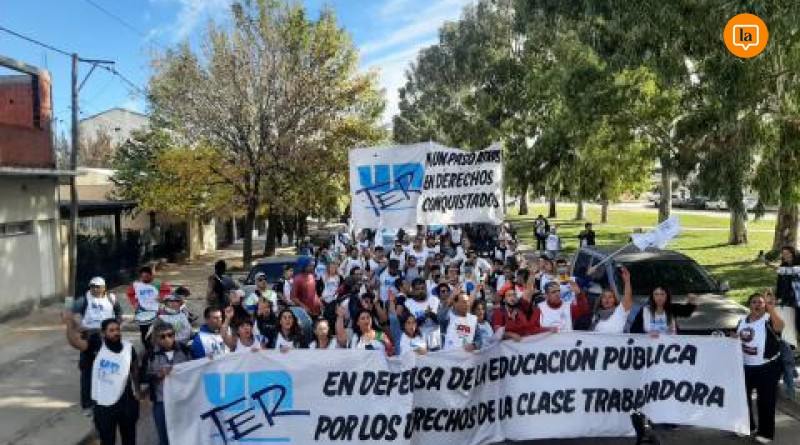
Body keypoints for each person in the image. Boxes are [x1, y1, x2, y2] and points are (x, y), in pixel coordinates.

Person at [62, 314, 139, 445]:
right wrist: (69, 323)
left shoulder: (128, 348)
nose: (116, 333)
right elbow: (75, 342)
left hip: (126, 403)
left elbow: (135, 368)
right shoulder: (96, 346)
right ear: (103, 333)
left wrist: (137, 390)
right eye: (111, 330)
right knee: (107, 440)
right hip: (104, 406)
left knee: (130, 439)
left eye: (117, 329)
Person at [737, 292, 785, 443]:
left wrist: (771, 309)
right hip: (746, 367)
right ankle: (747, 426)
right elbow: (738, 339)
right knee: (742, 398)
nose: (757, 305)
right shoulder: (742, 321)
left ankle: (765, 433)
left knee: (766, 400)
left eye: (761, 302)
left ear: (765, 306)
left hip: (767, 367)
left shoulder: (768, 319)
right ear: (749, 305)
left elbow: (780, 327)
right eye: (754, 302)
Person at [71, 276, 122, 414]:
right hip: (90, 337)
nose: (94, 289)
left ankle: (107, 399)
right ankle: (87, 404)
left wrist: (116, 325)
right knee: (87, 370)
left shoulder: (111, 298)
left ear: (104, 288)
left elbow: (119, 313)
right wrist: (78, 324)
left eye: (97, 286)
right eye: (92, 286)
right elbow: (73, 312)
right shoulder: (84, 299)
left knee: (108, 369)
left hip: (107, 338)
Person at [141, 323, 191, 445]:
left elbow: (196, 369)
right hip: (161, 402)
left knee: (184, 434)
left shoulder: (185, 350)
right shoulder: (149, 355)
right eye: (162, 336)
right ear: (156, 338)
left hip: (182, 401)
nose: (167, 339)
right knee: (163, 436)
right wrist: (157, 375)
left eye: (170, 335)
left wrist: (208, 360)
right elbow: (142, 377)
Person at [127, 266, 171, 349]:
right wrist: (135, 303)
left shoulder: (158, 283)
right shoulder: (136, 285)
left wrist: (162, 297)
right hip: (142, 312)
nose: (144, 279)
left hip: (157, 312)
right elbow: (130, 294)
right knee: (144, 332)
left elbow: (167, 292)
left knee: (157, 330)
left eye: (146, 276)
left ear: (151, 275)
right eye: (142, 277)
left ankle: (158, 347)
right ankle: (147, 348)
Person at [629, 287, 698, 335]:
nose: (659, 297)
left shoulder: (672, 308)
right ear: (652, 296)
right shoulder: (644, 311)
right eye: (656, 294)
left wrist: (692, 302)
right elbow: (633, 330)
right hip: (649, 346)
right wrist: (647, 334)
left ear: (667, 296)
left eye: (662, 294)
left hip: (671, 346)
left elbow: (686, 312)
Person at [590, 268, 634, 333]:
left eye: (610, 297)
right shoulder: (596, 315)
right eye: (604, 297)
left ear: (615, 300)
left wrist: (627, 281)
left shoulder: (620, 311)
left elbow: (627, 298)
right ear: (601, 300)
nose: (607, 299)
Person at [404, 278, 442, 351]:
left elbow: (441, 320)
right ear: (413, 290)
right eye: (417, 289)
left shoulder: (435, 300)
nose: (421, 291)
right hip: (418, 339)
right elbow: (409, 325)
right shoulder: (408, 304)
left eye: (423, 288)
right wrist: (424, 316)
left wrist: (431, 314)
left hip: (435, 338)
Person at [387, 290, 427, 355]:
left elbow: (424, 352)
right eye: (408, 323)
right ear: (404, 325)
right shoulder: (399, 335)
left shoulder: (420, 336)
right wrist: (391, 301)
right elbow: (393, 316)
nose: (411, 325)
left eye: (413, 322)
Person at [774, 246, 800, 339]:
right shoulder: (783, 266)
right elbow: (779, 283)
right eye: (783, 253)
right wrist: (778, 297)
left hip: (797, 299)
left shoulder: (797, 266)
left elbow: (791, 271)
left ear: (793, 254)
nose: (785, 255)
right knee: (791, 323)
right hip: (788, 299)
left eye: (787, 253)